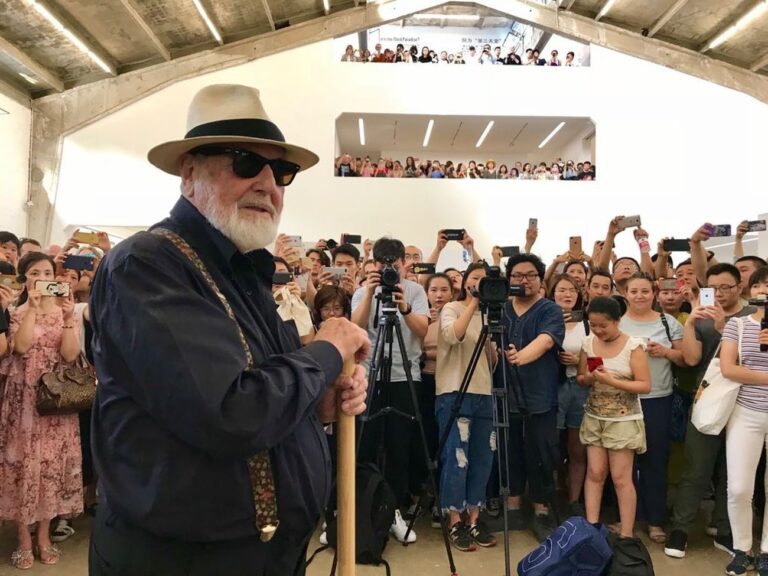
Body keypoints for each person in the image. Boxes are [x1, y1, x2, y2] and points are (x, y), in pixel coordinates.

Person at [88, 84, 370, 576]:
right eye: (245, 162)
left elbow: (268, 391)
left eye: (281, 172)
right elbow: (231, 410)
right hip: (181, 562)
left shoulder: (247, 273)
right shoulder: (146, 265)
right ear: (189, 172)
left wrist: (317, 405)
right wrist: (327, 351)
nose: (268, 183)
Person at [0, 252, 83, 570]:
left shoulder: (67, 311)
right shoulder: (16, 312)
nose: (42, 277)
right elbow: (19, 348)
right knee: (24, 466)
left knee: (50, 468)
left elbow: (70, 354)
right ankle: (23, 538)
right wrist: (32, 309)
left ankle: (44, 535)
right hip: (23, 403)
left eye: (48, 271)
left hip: (56, 403)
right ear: (24, 278)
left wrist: (66, 319)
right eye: (35, 272)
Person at [665, 263, 752, 559]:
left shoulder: (754, 316)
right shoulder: (700, 316)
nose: (718, 294)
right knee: (696, 468)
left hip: (746, 403)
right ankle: (680, 529)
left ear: (740, 286)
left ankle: (725, 529)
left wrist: (725, 331)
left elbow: (759, 359)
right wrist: (690, 323)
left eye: (725, 287)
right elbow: (690, 359)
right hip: (708, 401)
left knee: (733, 470)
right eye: (712, 289)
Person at [351, 237, 429, 544]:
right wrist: (369, 294)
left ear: (403, 264)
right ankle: (358, 510)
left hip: (404, 376)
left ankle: (393, 511)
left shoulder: (416, 291)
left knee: (399, 447)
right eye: (383, 267)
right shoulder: (362, 291)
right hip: (370, 375)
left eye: (394, 267)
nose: (389, 272)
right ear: (372, 263)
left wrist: (404, 306)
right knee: (365, 444)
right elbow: (356, 328)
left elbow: (422, 332)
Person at [499, 253, 565, 542]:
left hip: (540, 394)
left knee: (541, 452)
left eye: (529, 275)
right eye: (516, 276)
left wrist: (519, 357)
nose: (522, 280)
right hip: (504, 392)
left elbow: (546, 340)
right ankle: (512, 505)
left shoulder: (549, 309)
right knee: (509, 449)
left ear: (541, 280)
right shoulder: (501, 308)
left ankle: (540, 509)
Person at [577, 296, 650, 538]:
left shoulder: (633, 345)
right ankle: (591, 527)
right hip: (594, 415)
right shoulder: (588, 344)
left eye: (603, 326)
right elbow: (581, 378)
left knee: (620, 477)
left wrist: (612, 380)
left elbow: (645, 385)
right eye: (593, 325)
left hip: (623, 419)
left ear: (618, 321)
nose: (598, 331)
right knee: (595, 473)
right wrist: (589, 378)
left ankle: (627, 534)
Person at [620, 273, 685, 544]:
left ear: (654, 292)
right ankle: (627, 518)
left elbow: (685, 358)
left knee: (655, 461)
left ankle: (655, 520)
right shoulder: (618, 321)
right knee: (624, 464)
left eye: (645, 291)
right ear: (625, 293)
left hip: (659, 398)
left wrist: (666, 353)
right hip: (623, 398)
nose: (639, 296)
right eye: (634, 291)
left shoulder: (667, 322)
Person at [436, 263, 497, 551]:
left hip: (484, 392)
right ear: (464, 281)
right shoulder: (452, 308)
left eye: (485, 281)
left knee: (483, 458)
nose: (480, 283)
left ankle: (475, 516)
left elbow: (492, 362)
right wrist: (473, 302)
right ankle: (454, 520)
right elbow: (453, 336)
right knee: (456, 458)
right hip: (454, 391)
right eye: (475, 278)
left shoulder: (490, 315)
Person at [720, 266, 768, 576]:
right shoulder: (736, 325)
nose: (765, 289)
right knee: (738, 487)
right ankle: (742, 548)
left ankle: (766, 551)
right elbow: (728, 368)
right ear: (750, 290)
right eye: (759, 284)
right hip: (746, 411)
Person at [551, 275, 589, 515]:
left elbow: (602, 358)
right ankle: (551, 495)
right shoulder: (544, 320)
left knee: (578, 448)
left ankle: (574, 501)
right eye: (562, 290)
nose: (567, 294)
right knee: (551, 445)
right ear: (552, 293)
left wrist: (579, 361)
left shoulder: (587, 324)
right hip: (552, 386)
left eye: (572, 290)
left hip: (581, 386)